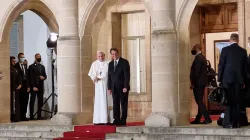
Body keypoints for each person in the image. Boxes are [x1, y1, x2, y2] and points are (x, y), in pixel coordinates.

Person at [218, 33, 248, 128]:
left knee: (229, 101)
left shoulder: (225, 50)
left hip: (227, 80)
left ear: (230, 40)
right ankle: (237, 123)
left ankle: (229, 123)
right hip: (239, 80)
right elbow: (245, 68)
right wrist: (244, 81)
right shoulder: (243, 51)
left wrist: (219, 79)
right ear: (238, 40)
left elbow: (221, 65)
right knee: (237, 101)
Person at [190, 44, 212, 124]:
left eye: (193, 48)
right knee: (200, 100)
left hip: (198, 83)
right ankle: (198, 118)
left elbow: (196, 72)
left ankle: (207, 118)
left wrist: (192, 82)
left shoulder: (198, 58)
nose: (192, 50)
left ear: (197, 49)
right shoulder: (202, 57)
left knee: (199, 101)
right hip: (201, 82)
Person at [108, 48, 130, 126]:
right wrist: (109, 88)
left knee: (123, 104)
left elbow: (127, 76)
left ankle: (123, 119)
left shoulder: (124, 62)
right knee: (115, 104)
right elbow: (109, 77)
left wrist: (125, 86)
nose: (114, 55)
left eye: (115, 54)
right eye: (112, 54)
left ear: (118, 53)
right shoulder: (110, 64)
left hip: (122, 88)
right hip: (114, 88)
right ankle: (116, 119)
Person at [88, 51, 109, 125]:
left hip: (105, 84)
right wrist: (94, 78)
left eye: (102, 56)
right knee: (98, 101)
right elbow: (91, 73)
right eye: (99, 56)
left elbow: (106, 73)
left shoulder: (107, 63)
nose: (101, 58)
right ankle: (97, 120)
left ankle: (105, 120)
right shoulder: (94, 64)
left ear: (104, 55)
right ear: (97, 56)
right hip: (97, 85)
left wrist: (99, 77)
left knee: (105, 101)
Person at [28, 53, 47, 120]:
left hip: (40, 86)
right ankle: (31, 116)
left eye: (40, 56)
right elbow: (30, 77)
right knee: (32, 101)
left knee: (40, 101)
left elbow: (45, 76)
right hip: (34, 86)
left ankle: (39, 116)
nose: (39, 57)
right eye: (38, 56)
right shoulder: (31, 66)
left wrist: (43, 77)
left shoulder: (42, 67)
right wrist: (33, 86)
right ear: (35, 57)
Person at [15, 53, 30, 121]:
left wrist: (28, 86)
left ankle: (24, 116)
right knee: (20, 101)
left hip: (25, 86)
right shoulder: (16, 66)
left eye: (23, 57)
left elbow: (27, 77)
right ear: (18, 58)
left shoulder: (25, 65)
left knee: (25, 101)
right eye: (21, 57)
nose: (23, 58)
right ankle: (20, 116)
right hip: (20, 85)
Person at [10, 56, 22, 122]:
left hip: (16, 88)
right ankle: (12, 117)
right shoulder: (9, 69)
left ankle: (16, 117)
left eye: (15, 61)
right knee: (12, 103)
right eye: (13, 61)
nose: (14, 62)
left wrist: (20, 84)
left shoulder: (15, 69)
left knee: (16, 103)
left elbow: (19, 77)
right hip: (11, 88)